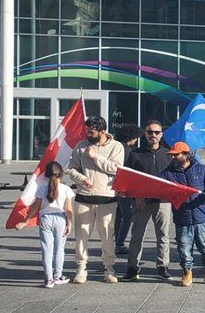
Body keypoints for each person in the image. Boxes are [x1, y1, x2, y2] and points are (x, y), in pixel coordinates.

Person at [65, 116, 125, 284]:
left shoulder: (116, 146)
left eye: (91, 131)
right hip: (84, 197)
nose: (88, 134)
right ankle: (81, 268)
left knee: (107, 235)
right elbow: (71, 169)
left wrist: (95, 157)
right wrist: (82, 179)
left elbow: (116, 169)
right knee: (81, 235)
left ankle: (109, 268)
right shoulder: (81, 146)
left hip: (107, 197)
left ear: (103, 131)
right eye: (87, 131)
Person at [161, 141, 205, 287]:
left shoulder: (201, 169)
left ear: (185, 155)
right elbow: (155, 185)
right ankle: (187, 272)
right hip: (182, 217)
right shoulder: (168, 173)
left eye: (176, 155)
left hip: (202, 215)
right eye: (172, 155)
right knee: (184, 247)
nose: (173, 158)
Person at [121, 120, 174, 281]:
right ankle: (132, 267)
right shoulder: (135, 154)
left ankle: (162, 266)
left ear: (161, 134)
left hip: (163, 201)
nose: (153, 135)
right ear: (145, 134)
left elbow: (173, 178)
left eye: (156, 132)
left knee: (163, 235)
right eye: (150, 132)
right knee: (137, 235)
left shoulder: (168, 154)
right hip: (141, 201)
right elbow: (129, 179)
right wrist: (136, 196)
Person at [15, 161, 74, 287]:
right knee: (59, 249)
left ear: (46, 175)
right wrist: (69, 224)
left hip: (45, 219)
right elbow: (69, 209)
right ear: (61, 174)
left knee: (47, 249)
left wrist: (25, 221)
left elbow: (35, 208)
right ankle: (58, 276)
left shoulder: (41, 189)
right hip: (60, 218)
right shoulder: (66, 189)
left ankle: (49, 279)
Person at [112, 124, 141, 257]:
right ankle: (120, 243)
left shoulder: (116, 147)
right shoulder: (128, 151)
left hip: (115, 185)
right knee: (128, 215)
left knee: (119, 214)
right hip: (124, 187)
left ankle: (117, 240)